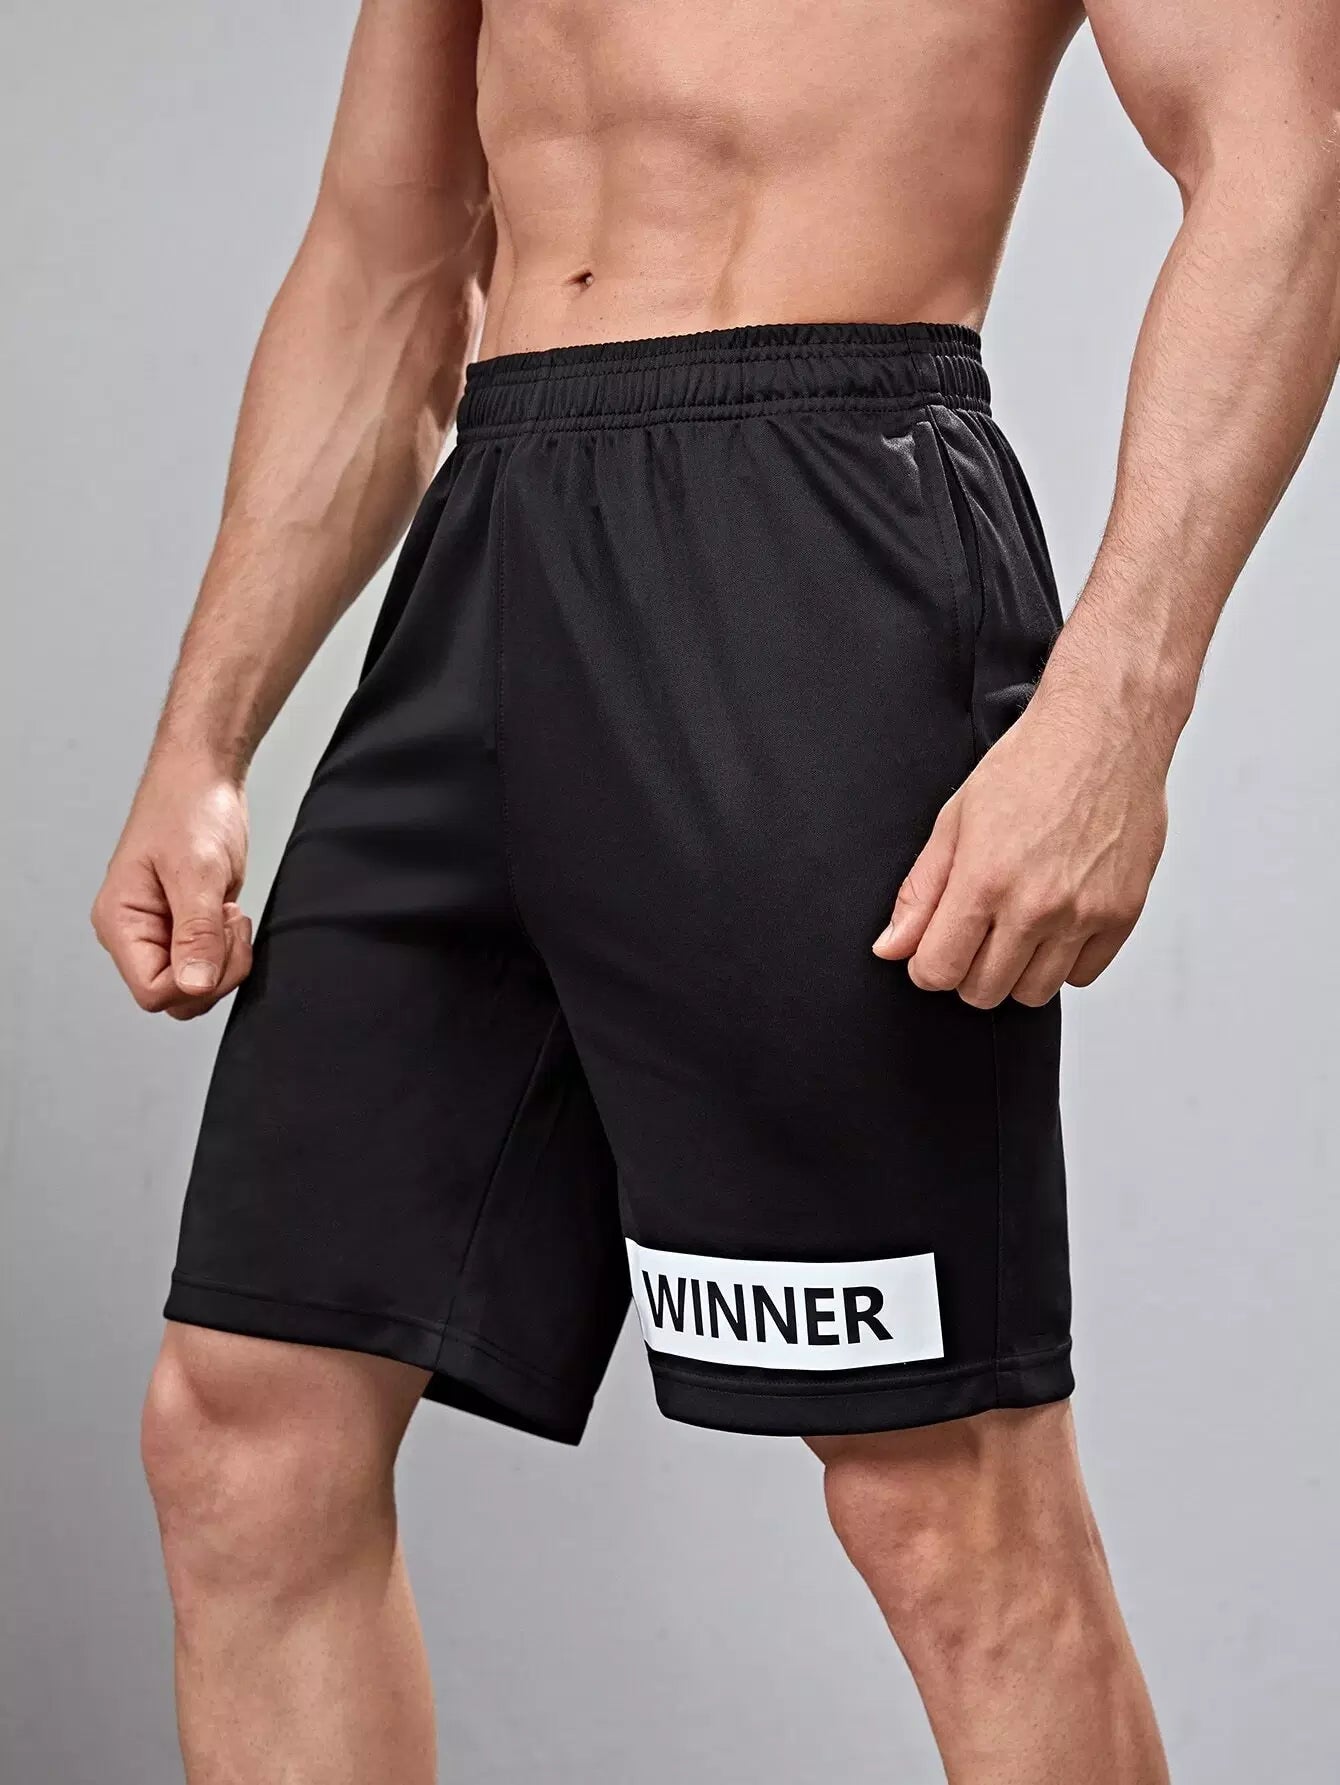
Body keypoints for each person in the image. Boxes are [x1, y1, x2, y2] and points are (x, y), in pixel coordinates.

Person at [92, 0, 1339, 1778]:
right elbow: (389, 257)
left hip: (811, 537)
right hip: (488, 571)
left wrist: (1119, 704)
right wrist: (204, 738)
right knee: (244, 1427)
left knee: (940, 1502)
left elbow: (1291, 141)